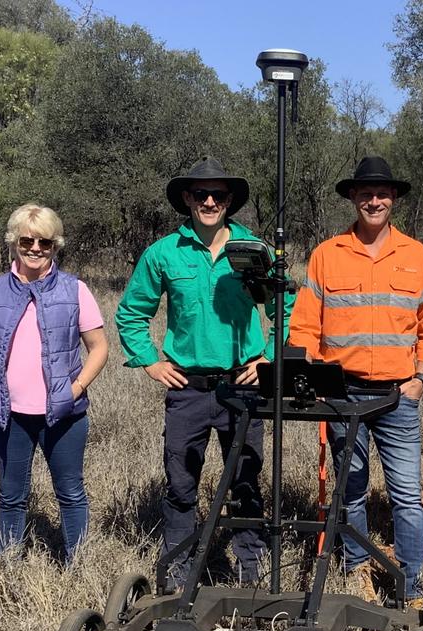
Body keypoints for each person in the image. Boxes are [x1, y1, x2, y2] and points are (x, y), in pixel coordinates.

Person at [115, 157, 293, 593]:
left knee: (246, 480)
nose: (209, 201)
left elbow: (284, 308)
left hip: (242, 386)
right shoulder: (163, 253)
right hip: (188, 391)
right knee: (180, 481)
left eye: (218, 195)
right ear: (187, 200)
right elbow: (132, 313)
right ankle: (177, 571)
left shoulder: (256, 250)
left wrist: (269, 357)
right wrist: (150, 361)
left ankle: (250, 571)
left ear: (231, 201)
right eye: (200, 194)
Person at [289, 156, 423, 605]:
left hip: (398, 397)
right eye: (365, 194)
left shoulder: (417, 256)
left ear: (393, 199)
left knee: (407, 497)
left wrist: (422, 377)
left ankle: (410, 585)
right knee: (350, 490)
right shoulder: (326, 254)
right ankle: (356, 571)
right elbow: (304, 326)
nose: (373, 200)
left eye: (381, 193)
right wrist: (310, 378)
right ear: (353, 198)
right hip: (342, 395)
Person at [0, 203, 109, 565]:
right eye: (27, 240)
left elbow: (99, 348)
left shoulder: (75, 289)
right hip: (9, 414)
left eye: (44, 242)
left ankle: (77, 565)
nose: (34, 248)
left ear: (55, 245)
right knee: (11, 494)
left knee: (71, 492)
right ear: (15, 241)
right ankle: (9, 565)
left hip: (64, 413)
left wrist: (73, 391)